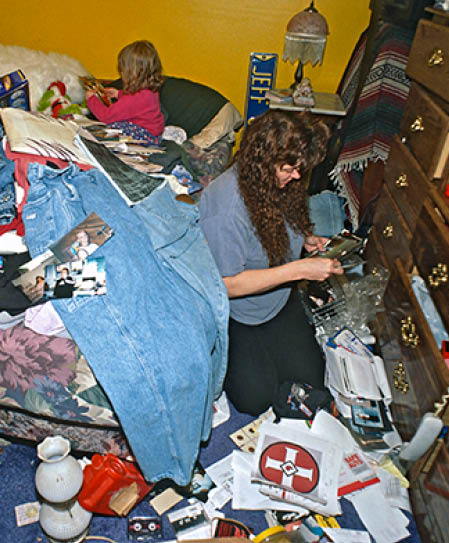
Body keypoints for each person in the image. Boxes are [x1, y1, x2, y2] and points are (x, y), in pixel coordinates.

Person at [198, 110, 343, 416]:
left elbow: (280, 222)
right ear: (263, 161)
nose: (297, 176)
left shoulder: (275, 180)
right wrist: (300, 269)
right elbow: (227, 285)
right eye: (289, 169)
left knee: (311, 381)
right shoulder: (226, 207)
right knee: (255, 401)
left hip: (278, 299)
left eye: (299, 168)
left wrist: (305, 239)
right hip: (237, 315)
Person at [85, 40, 165, 145]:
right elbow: (136, 104)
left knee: (111, 128)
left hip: (145, 136)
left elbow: (106, 116)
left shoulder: (134, 99)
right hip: (154, 134)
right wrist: (118, 94)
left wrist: (91, 100)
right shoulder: (149, 90)